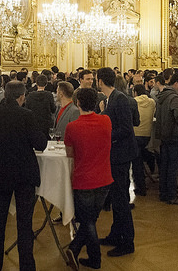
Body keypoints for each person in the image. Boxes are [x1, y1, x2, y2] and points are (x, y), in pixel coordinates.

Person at [0, 81, 47, 271]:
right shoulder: (26, 115)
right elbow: (40, 144)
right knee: (24, 224)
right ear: (21, 97)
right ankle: (27, 267)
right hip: (23, 176)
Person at [64, 88, 114, 270]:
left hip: (83, 179)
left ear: (77, 103)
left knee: (87, 221)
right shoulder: (106, 121)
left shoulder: (72, 127)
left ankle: (86, 255)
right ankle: (81, 253)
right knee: (91, 219)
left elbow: (70, 155)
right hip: (104, 178)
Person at [97, 67, 139, 257]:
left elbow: (125, 129)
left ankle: (127, 242)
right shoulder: (111, 99)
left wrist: (106, 136)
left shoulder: (120, 99)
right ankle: (115, 235)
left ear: (100, 81)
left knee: (121, 199)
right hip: (115, 155)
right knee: (116, 197)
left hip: (121, 156)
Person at [154, 72, 178, 205]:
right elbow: (177, 114)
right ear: (176, 83)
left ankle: (164, 193)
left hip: (163, 134)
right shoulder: (174, 96)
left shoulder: (162, 95)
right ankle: (172, 195)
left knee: (164, 165)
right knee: (172, 167)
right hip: (173, 135)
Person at [131, 84, 155, 197]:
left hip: (135, 135)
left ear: (135, 92)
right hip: (147, 135)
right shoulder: (152, 102)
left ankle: (141, 188)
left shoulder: (132, 102)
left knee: (136, 163)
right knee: (141, 156)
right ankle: (151, 161)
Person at [24, 74, 56, 140]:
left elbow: (26, 109)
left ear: (36, 83)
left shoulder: (30, 95)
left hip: (34, 123)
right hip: (46, 124)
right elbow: (53, 109)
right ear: (46, 84)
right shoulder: (49, 95)